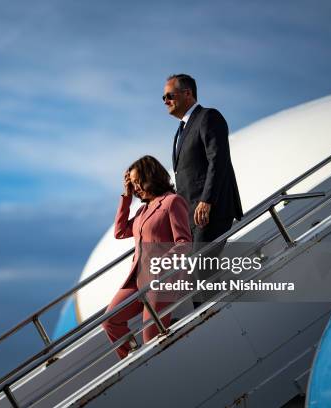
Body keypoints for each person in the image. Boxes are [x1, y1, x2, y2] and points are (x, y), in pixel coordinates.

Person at [102, 155, 192, 360]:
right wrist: (126, 197)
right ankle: (132, 358)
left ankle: (146, 363)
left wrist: (161, 264)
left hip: (162, 279)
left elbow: (184, 242)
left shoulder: (172, 202)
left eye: (137, 182)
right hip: (137, 278)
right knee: (110, 320)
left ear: (150, 176)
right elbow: (120, 231)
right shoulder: (142, 210)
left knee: (151, 337)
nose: (135, 188)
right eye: (132, 184)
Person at [164, 74, 243, 250]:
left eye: (170, 95)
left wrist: (207, 200)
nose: (165, 101)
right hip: (191, 216)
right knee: (196, 273)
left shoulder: (208, 117)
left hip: (210, 211)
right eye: (164, 97)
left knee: (201, 268)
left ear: (187, 93)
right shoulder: (179, 132)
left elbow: (218, 160)